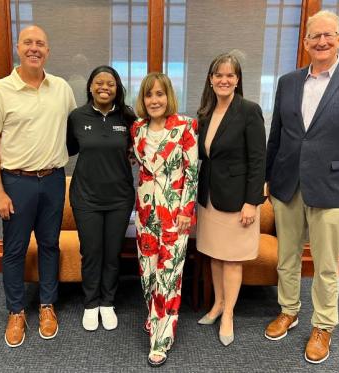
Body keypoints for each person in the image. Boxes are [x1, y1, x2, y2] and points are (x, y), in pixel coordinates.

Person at [264, 10, 339, 364]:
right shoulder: (288, 82)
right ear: (305, 43)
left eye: (328, 35)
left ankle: (323, 325)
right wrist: (269, 177)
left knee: (326, 264)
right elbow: (278, 135)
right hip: (288, 185)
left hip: (335, 189)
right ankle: (289, 309)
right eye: (314, 36)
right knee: (286, 258)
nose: (321, 41)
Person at [0, 25, 76, 347]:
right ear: (18, 48)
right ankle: (16, 310)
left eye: (41, 44)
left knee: (49, 244)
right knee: (15, 249)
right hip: (15, 181)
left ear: (47, 50)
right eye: (28, 43)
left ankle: (47, 305)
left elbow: (77, 130)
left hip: (52, 180)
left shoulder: (61, 88)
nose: (35, 48)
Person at [195, 52, 266, 346]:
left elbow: (258, 160)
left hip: (238, 201)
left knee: (233, 259)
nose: (224, 80)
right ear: (211, 80)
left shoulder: (249, 111)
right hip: (210, 198)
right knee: (214, 254)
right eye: (218, 75)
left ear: (237, 81)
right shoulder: (205, 114)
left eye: (230, 75)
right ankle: (217, 305)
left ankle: (229, 315)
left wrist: (252, 201)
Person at [131, 72, 198, 367]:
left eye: (159, 94)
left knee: (168, 276)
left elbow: (193, 172)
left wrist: (187, 211)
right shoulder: (136, 129)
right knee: (148, 273)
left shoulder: (185, 126)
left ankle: (161, 338)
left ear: (167, 96)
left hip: (175, 214)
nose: (154, 100)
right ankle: (153, 314)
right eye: (149, 95)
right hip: (145, 213)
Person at [67, 65, 136, 331]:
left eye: (110, 83)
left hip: (120, 198)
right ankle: (90, 303)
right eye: (99, 83)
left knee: (112, 254)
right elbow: (71, 149)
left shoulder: (128, 118)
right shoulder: (77, 117)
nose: (104, 87)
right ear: (90, 87)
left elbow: (139, 148)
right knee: (91, 252)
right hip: (86, 198)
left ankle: (107, 303)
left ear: (117, 89)